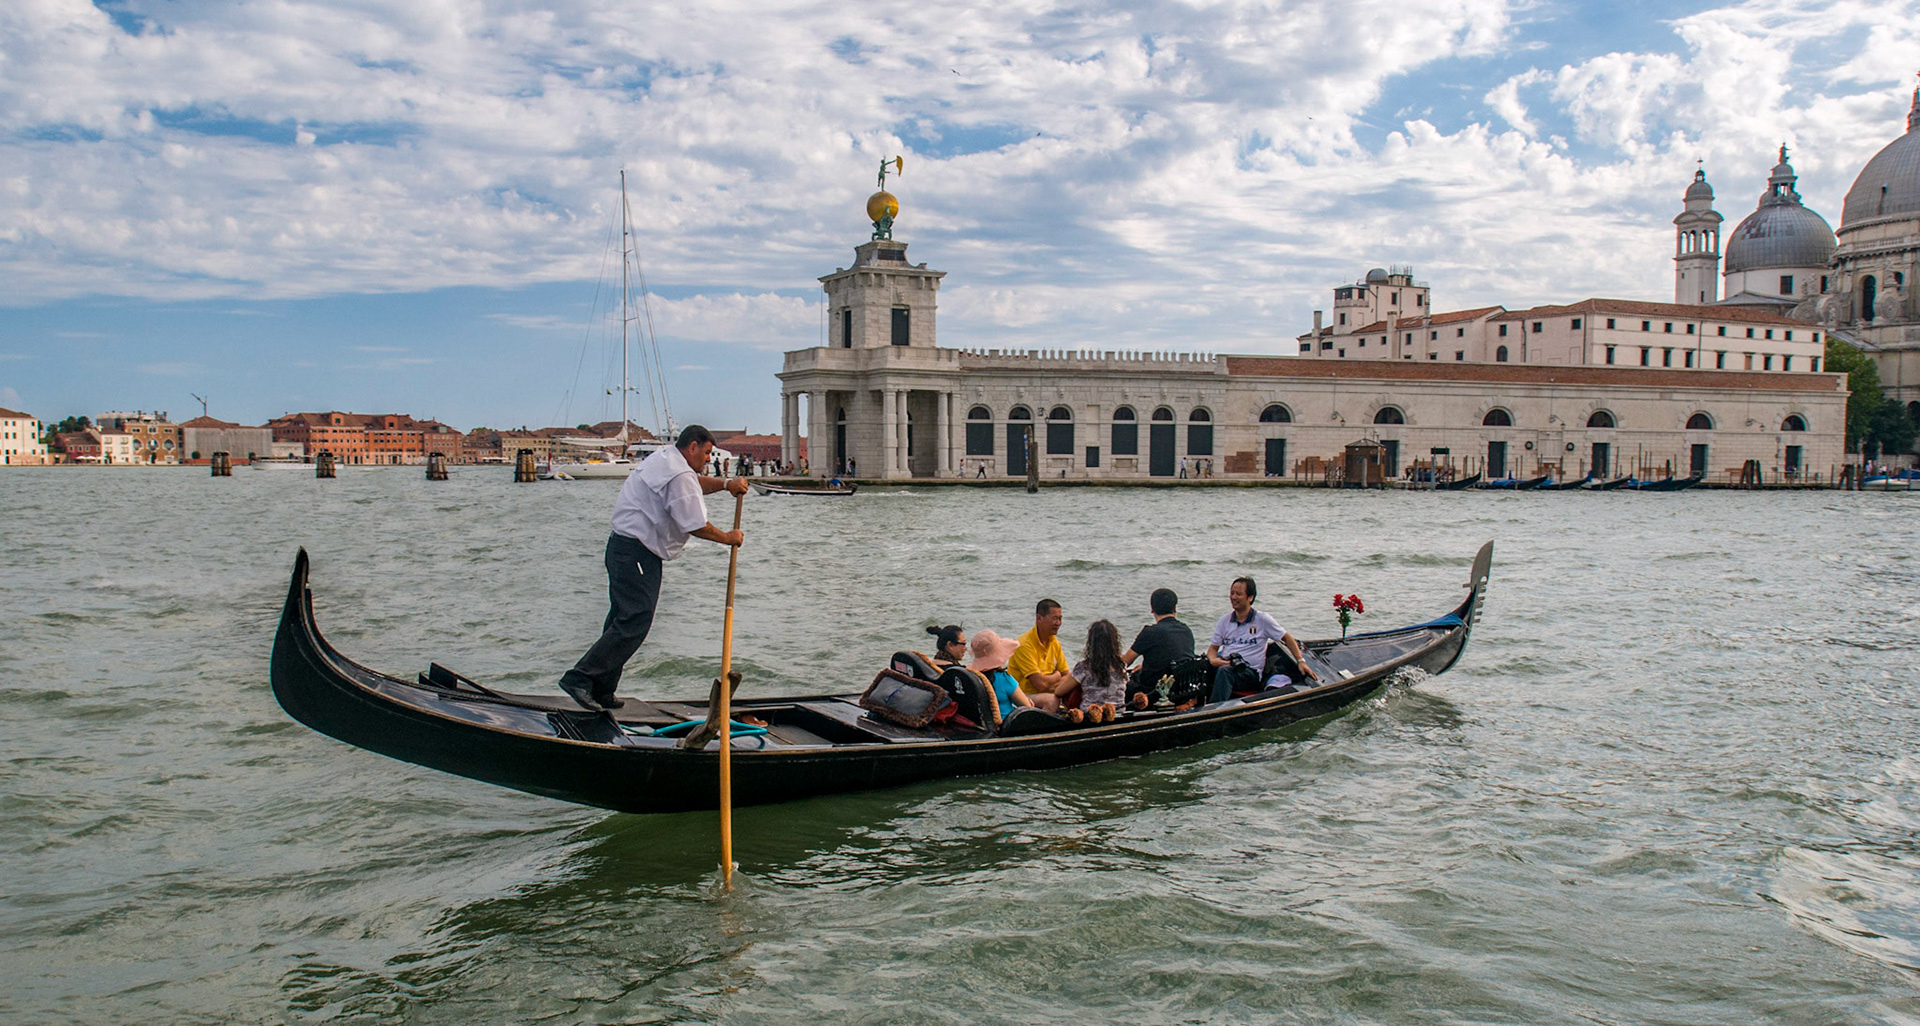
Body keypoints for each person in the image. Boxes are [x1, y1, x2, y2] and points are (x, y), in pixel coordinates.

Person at [557, 424, 749, 711]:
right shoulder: (679, 472)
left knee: (621, 620)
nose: (710, 459)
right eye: (707, 452)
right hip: (636, 552)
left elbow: (695, 483)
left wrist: (725, 484)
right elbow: (695, 524)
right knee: (635, 621)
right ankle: (579, 678)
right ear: (692, 447)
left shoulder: (666, 459)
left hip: (623, 549)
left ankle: (602, 690)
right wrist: (728, 538)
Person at [1206, 576, 1316, 705]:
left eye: (1238, 594)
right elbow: (1213, 649)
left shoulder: (1262, 620)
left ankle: (1214, 710)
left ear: (1250, 597)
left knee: (1225, 672)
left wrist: (1300, 661)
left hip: (1248, 672)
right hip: (1225, 665)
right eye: (1232, 593)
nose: (1234, 597)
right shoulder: (1224, 621)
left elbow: (1287, 638)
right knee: (1203, 666)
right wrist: (1213, 660)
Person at [1122, 587, 1194, 707]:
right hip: (1182, 690)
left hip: (1152, 693)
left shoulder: (1150, 632)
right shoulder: (1186, 630)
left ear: (1152, 609)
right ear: (1175, 608)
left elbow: (1124, 662)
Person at [1008, 599, 1079, 717]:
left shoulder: (1054, 642)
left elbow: (1067, 675)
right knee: (1051, 700)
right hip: (1024, 695)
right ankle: (1039, 730)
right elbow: (1039, 684)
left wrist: (1052, 684)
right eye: (1054, 618)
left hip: (1049, 692)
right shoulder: (1024, 644)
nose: (1058, 623)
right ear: (1039, 618)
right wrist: (1056, 676)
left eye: (1060, 618)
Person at [968, 630, 1033, 722]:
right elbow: (1027, 707)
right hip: (1003, 727)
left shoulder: (971, 676)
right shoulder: (1003, 679)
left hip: (981, 725)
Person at [1071, 619, 1129, 724]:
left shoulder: (1083, 667)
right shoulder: (1122, 666)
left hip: (1090, 715)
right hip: (1118, 712)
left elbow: (1059, 691)